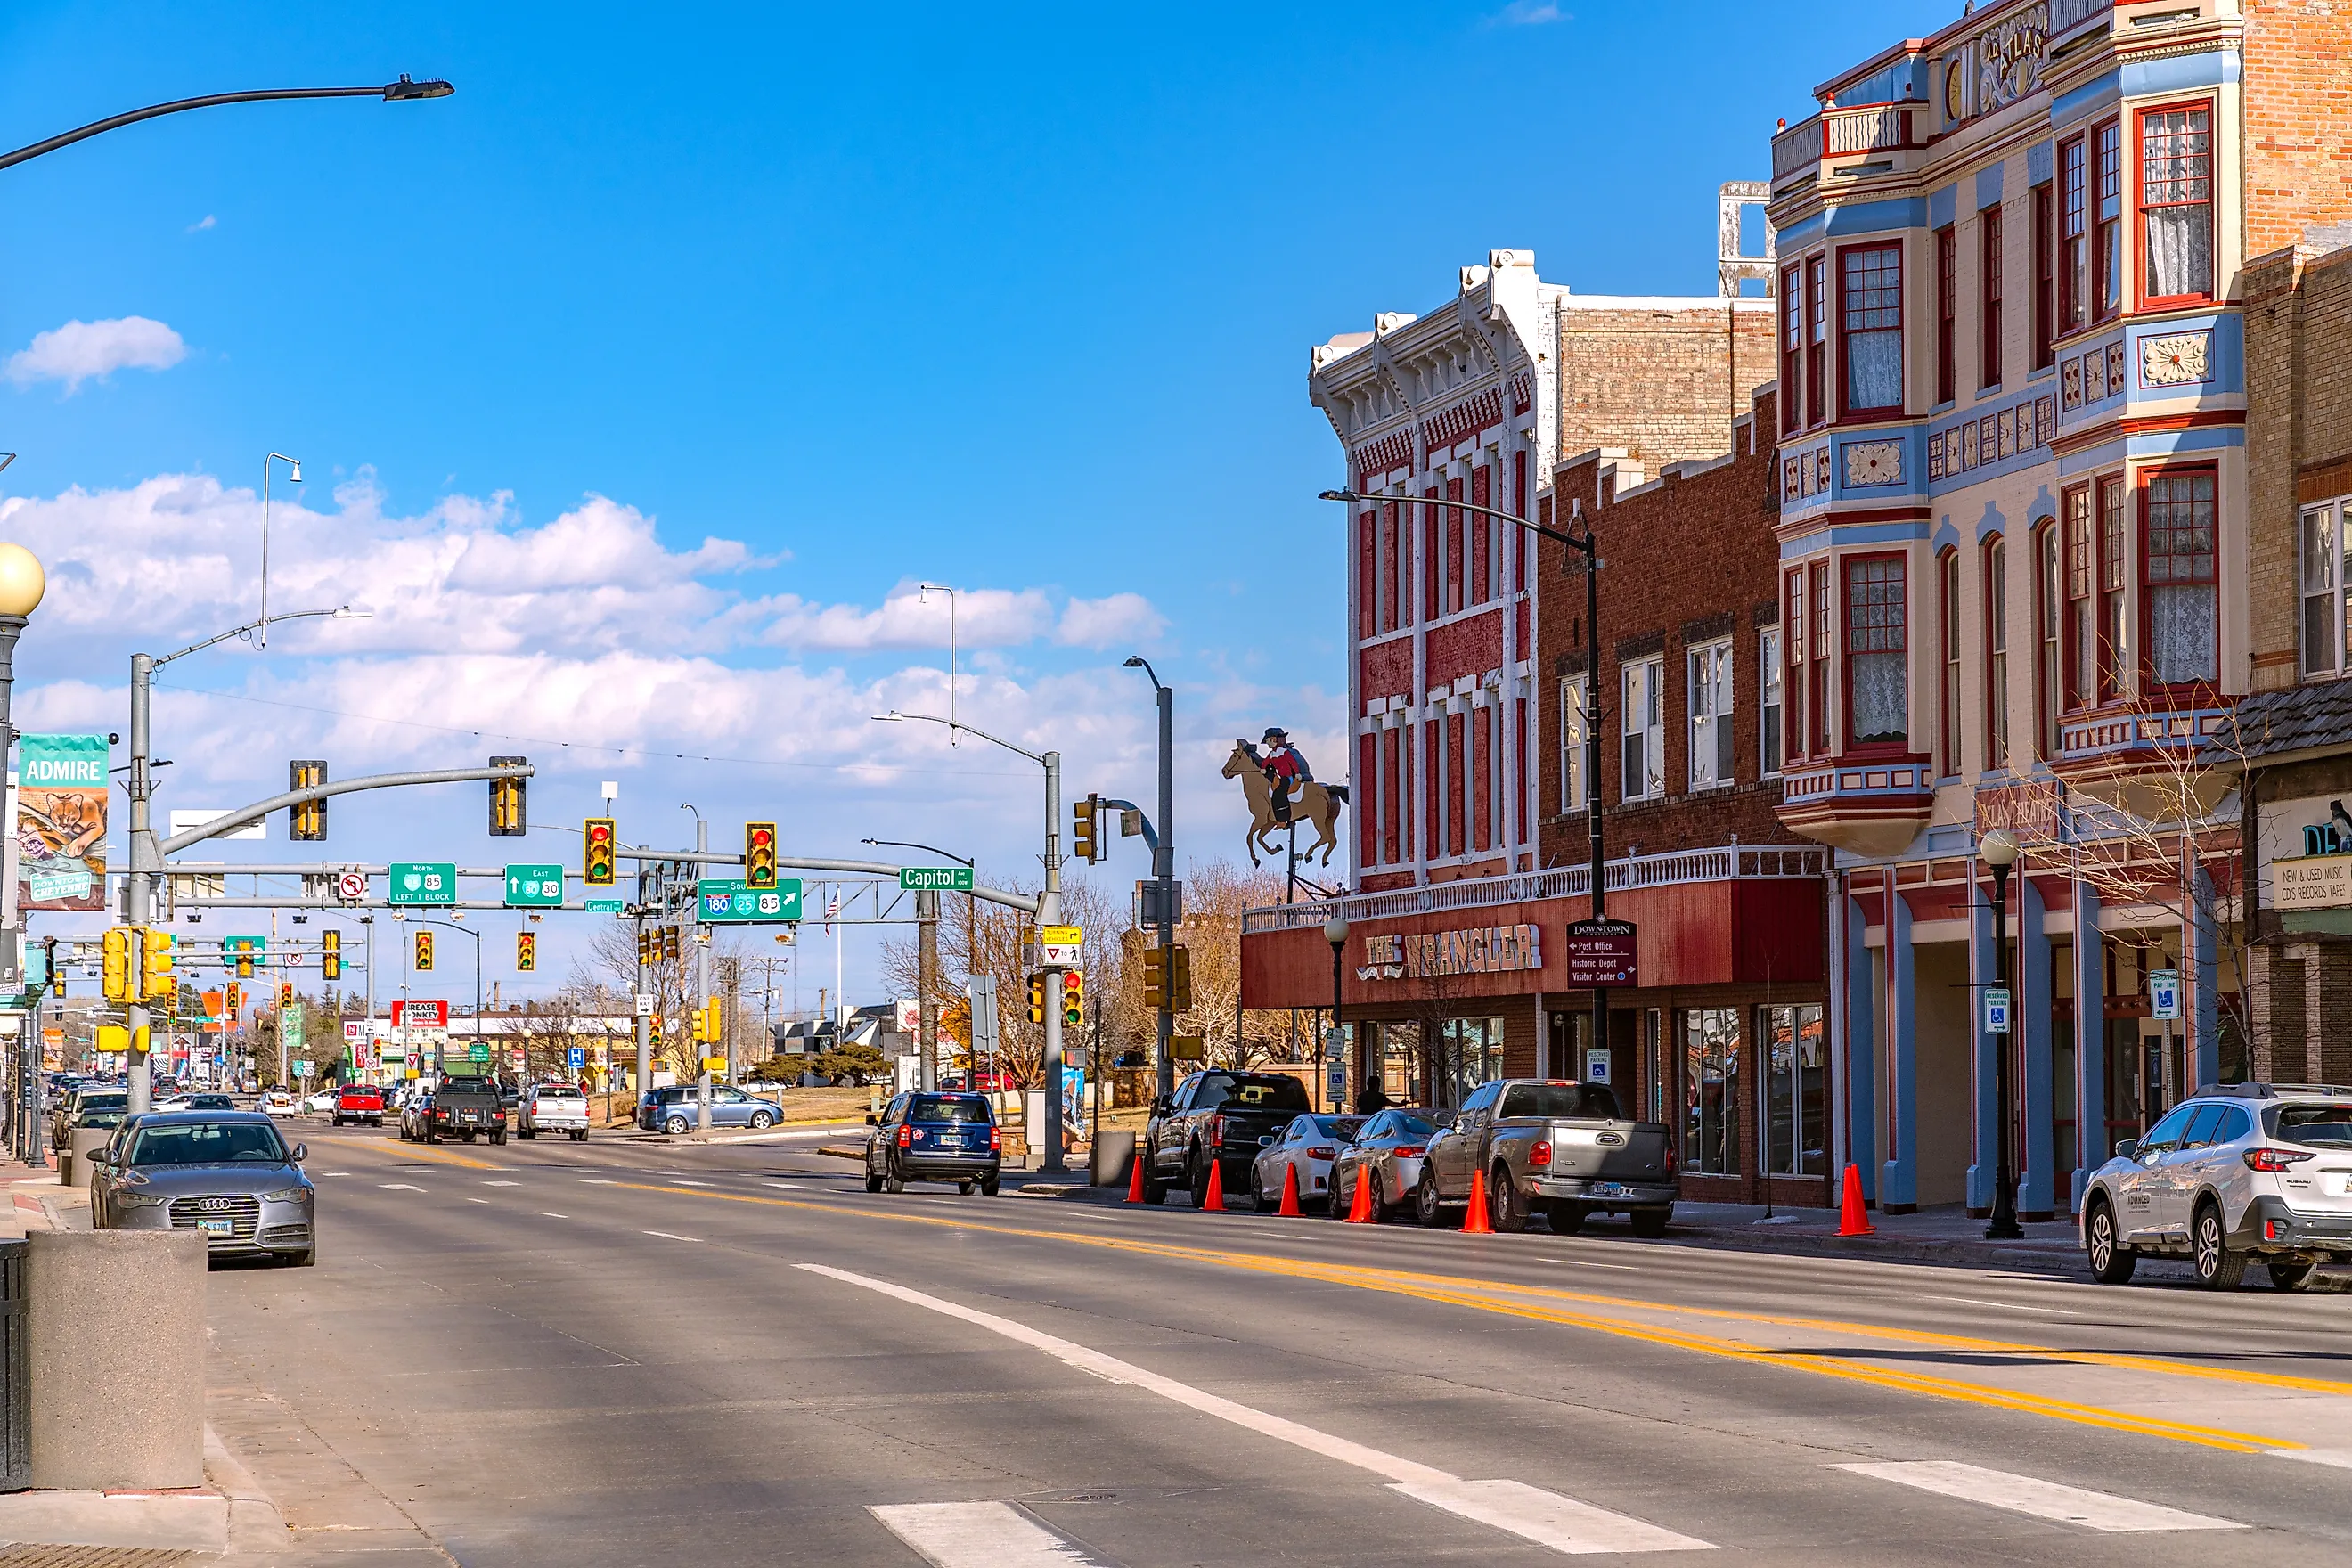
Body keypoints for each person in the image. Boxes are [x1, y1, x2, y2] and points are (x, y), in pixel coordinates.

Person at [1255, 727, 1312, 824]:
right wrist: (1263, 768)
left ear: (1274, 740)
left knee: (1278, 795)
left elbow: (1293, 763)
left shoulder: (1285, 752)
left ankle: (1283, 820)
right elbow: (1266, 761)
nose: (1267, 743)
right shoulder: (1272, 753)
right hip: (1281, 777)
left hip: (1288, 777)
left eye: (1268, 740)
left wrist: (1298, 773)